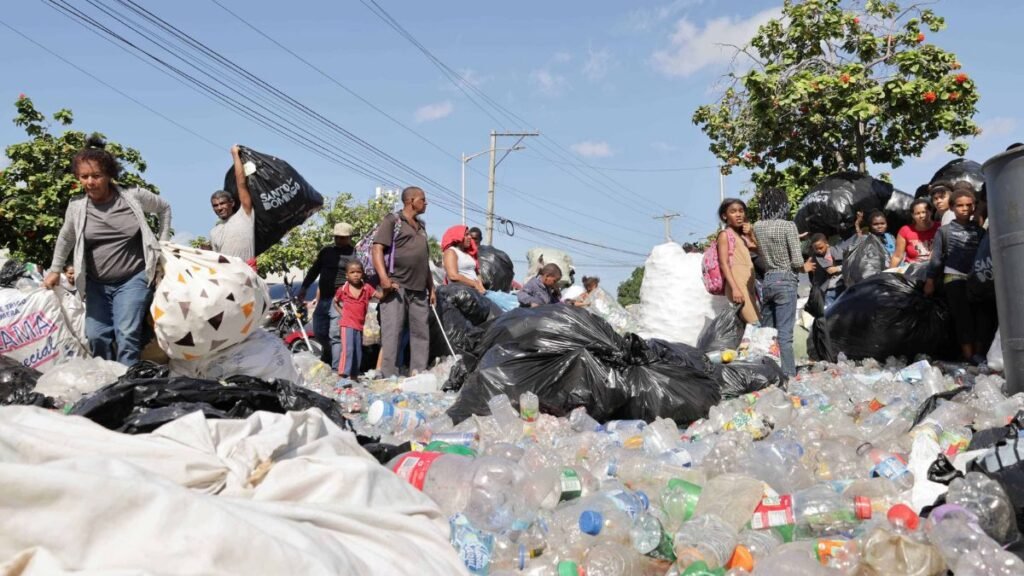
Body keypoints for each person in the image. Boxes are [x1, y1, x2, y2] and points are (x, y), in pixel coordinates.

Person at [42, 135, 172, 365]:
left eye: (96, 176)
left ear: (109, 175)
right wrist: (55, 269)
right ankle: (106, 384)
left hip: (133, 278)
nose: (90, 182)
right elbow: (66, 237)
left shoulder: (133, 197)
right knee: (96, 335)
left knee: (126, 334)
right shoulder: (77, 207)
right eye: (84, 177)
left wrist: (162, 245)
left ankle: (127, 386)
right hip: (96, 283)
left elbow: (163, 208)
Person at [925, 183, 993, 363]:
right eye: (960, 205)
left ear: (974, 207)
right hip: (954, 279)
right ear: (952, 207)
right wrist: (930, 280)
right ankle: (969, 356)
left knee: (982, 318)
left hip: (978, 280)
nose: (965, 209)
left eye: (969, 205)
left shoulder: (979, 231)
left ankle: (979, 355)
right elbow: (937, 258)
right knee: (963, 319)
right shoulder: (944, 231)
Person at [373, 186, 435, 378]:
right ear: (411, 201)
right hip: (396, 286)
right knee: (392, 334)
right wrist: (384, 279)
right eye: (422, 199)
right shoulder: (393, 221)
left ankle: (418, 375)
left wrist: (431, 288)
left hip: (418, 290)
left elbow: (424, 260)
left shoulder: (421, 226)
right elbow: (377, 249)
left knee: (421, 334)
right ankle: (388, 376)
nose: (425, 203)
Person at [752, 188, 814, 377]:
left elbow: (770, 244)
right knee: (785, 335)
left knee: (766, 333)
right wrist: (805, 267)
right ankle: (788, 375)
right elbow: (796, 261)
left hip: (768, 280)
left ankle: (766, 373)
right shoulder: (788, 226)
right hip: (786, 280)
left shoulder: (758, 226)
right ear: (783, 205)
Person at [299, 222, 356, 369]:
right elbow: (314, 270)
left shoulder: (354, 254)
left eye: (343, 238)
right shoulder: (326, 252)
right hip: (324, 299)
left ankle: (337, 369)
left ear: (349, 238)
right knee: (319, 332)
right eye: (337, 237)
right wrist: (304, 287)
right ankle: (331, 355)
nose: (339, 240)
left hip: (341, 301)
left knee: (335, 335)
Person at [333, 261, 383, 381]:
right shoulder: (343, 289)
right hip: (346, 324)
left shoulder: (367, 288)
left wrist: (389, 288)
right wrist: (342, 313)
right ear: (347, 275)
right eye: (352, 272)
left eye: (358, 272)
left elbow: (380, 296)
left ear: (363, 274)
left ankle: (354, 376)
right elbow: (335, 302)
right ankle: (342, 375)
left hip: (359, 326)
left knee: (358, 352)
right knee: (348, 350)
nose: (355, 275)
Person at [717, 198, 759, 324]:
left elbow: (759, 251)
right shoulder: (725, 235)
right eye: (733, 211)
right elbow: (723, 263)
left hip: (748, 287)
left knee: (755, 325)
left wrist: (751, 234)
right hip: (738, 286)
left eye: (741, 211)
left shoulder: (742, 237)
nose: (739, 214)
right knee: (755, 323)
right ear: (725, 216)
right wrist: (735, 288)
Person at [209, 145, 255, 261]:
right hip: (226, 277)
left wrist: (235, 155)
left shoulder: (244, 215)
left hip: (246, 277)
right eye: (215, 205)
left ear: (232, 203)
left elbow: (241, 184)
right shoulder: (214, 232)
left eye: (222, 203)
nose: (219, 208)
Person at [891, 198, 940, 267]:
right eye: (917, 213)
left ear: (931, 212)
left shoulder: (940, 228)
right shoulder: (905, 230)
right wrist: (888, 274)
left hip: (936, 270)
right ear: (912, 215)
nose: (922, 216)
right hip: (912, 272)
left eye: (924, 212)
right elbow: (897, 256)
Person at [441, 224, 484, 293]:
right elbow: (453, 276)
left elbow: (476, 273)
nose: (470, 237)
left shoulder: (469, 254)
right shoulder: (451, 252)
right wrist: (474, 284)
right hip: (461, 293)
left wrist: (481, 287)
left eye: (469, 235)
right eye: (466, 235)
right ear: (458, 236)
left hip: (474, 292)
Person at [806, 233, 844, 308]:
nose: (819, 251)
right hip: (828, 289)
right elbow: (829, 270)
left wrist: (837, 268)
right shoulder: (816, 257)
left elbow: (847, 264)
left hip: (842, 284)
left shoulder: (836, 250)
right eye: (816, 249)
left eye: (821, 248)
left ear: (826, 243)